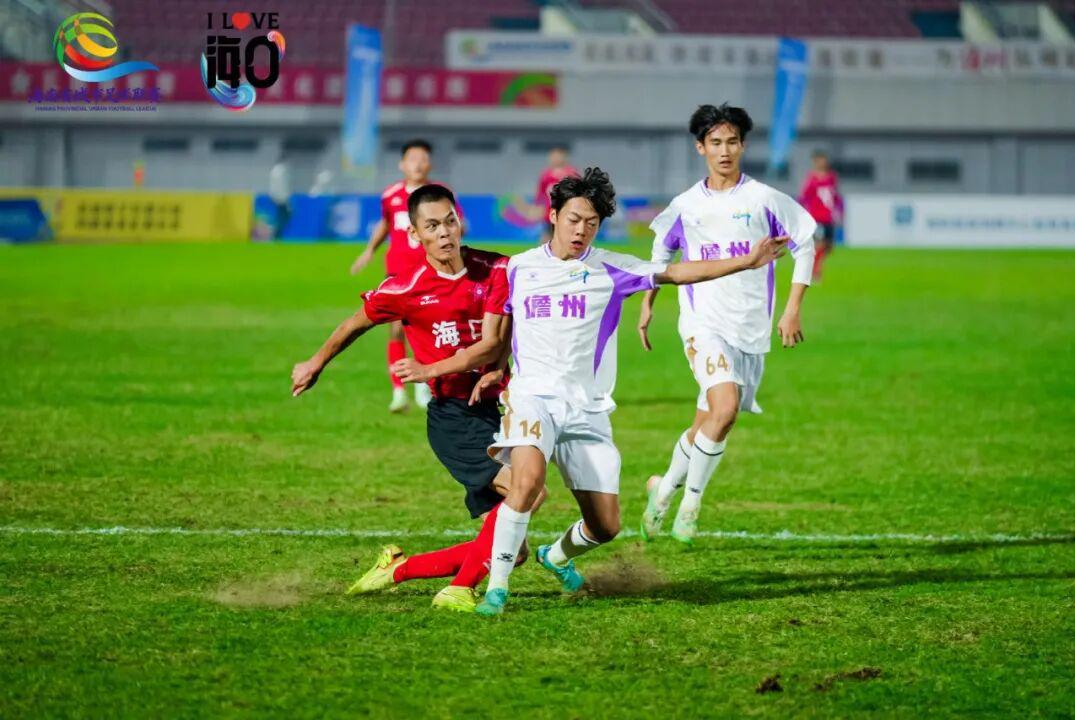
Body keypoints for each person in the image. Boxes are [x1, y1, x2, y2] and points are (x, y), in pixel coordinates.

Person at [398, 168, 788, 616]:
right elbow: (507, 324)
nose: (581, 230)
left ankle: (555, 555)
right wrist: (500, 366)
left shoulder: (612, 269)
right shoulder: (518, 268)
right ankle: (495, 592)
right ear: (553, 216)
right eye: (573, 219)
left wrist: (747, 261)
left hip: (586, 410)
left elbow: (677, 272)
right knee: (525, 483)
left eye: (591, 222)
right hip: (532, 399)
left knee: (606, 526)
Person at [292, 184, 534, 612]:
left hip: (493, 412)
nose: (444, 233)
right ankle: (458, 590)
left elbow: (500, 334)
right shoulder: (406, 288)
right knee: (528, 488)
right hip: (454, 419)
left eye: (450, 222)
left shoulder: (496, 269)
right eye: (432, 226)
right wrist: (316, 362)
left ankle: (397, 569)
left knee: (513, 550)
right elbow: (354, 324)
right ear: (415, 234)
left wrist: (496, 366)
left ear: (460, 222)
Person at [638, 103, 816, 545]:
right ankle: (690, 506)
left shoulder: (764, 199)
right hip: (702, 324)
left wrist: (792, 308)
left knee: (708, 423)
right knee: (725, 409)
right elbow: (660, 257)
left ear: (743, 146)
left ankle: (664, 488)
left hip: (750, 328)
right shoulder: (686, 205)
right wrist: (648, 304)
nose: (724, 150)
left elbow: (806, 243)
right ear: (700, 147)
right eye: (715, 142)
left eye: (732, 142)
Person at [349, 139, 460, 413]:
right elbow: (386, 223)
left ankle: (425, 385)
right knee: (396, 329)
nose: (418, 164)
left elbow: (456, 224)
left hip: (431, 271)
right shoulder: (391, 195)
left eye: (423, 159)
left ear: (430, 164)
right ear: (402, 164)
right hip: (398, 272)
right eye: (412, 159)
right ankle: (399, 392)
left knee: (428, 329)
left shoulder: (439, 195)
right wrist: (369, 250)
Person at [798, 149, 843, 282]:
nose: (822, 162)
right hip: (816, 217)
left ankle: (814, 267)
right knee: (820, 244)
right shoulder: (811, 178)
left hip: (828, 217)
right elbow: (804, 197)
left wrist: (839, 210)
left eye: (824, 160)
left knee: (828, 246)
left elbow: (835, 195)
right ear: (815, 162)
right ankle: (815, 271)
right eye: (819, 160)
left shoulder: (832, 177)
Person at [535, 144, 579, 244]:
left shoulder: (571, 173)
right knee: (546, 239)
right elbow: (541, 194)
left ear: (564, 157)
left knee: (568, 239)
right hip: (550, 213)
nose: (555, 159)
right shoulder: (546, 175)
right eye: (553, 156)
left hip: (567, 212)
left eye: (558, 156)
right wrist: (539, 208)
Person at [268, 151, 291, 239]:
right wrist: (286, 200)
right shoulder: (281, 170)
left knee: (280, 219)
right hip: (281, 199)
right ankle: (277, 236)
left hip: (276, 198)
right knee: (282, 220)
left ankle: (277, 236)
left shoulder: (275, 170)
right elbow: (283, 186)